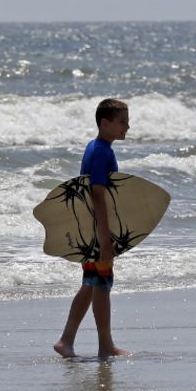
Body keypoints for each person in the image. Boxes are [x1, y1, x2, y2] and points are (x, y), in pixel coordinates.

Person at [53, 99, 132, 359]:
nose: (127, 127)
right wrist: (105, 237)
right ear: (104, 123)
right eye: (122, 122)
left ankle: (66, 340)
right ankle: (105, 345)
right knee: (101, 284)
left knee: (92, 283)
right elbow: (97, 194)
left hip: (91, 229)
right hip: (97, 231)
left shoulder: (97, 147)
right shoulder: (101, 152)